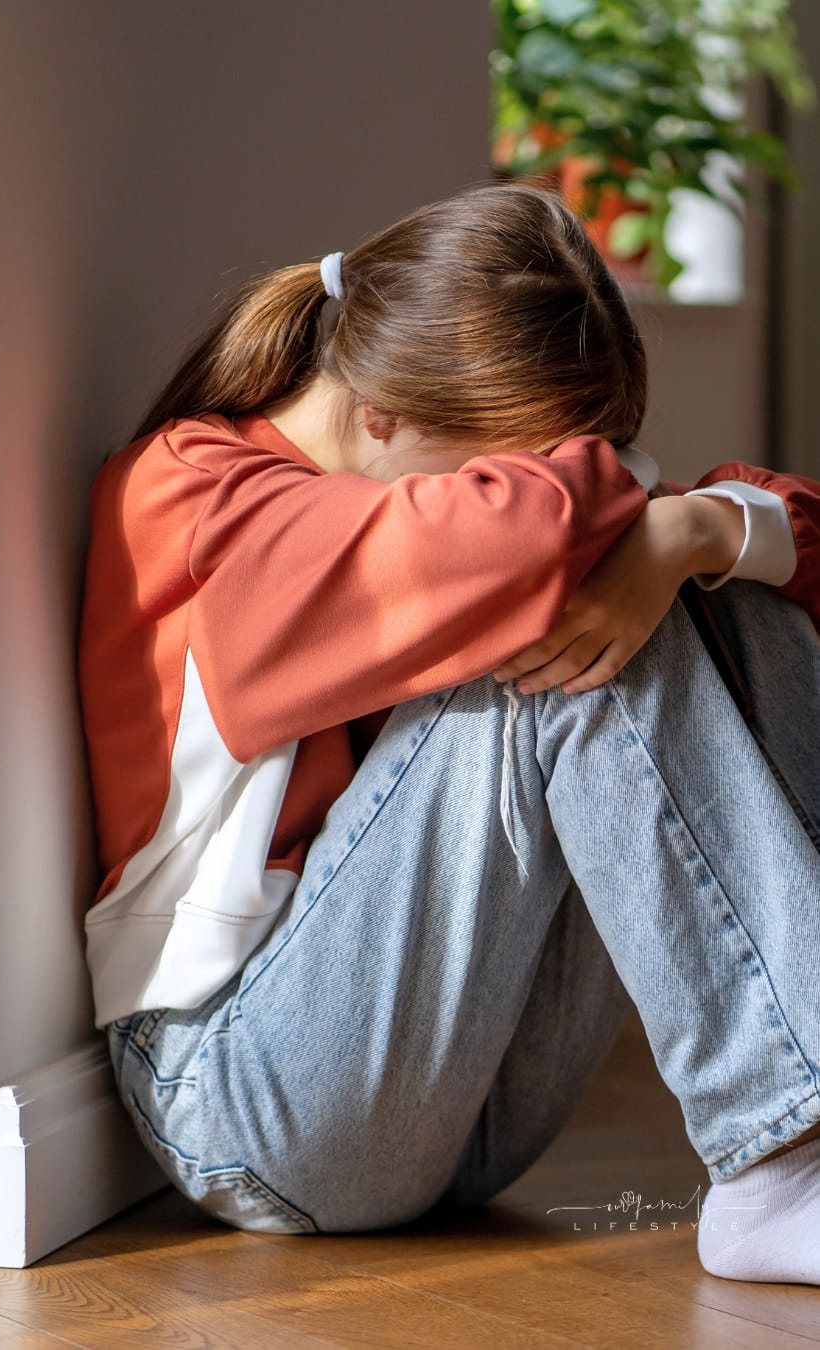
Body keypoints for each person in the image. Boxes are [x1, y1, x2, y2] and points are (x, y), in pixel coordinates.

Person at [78, 183, 820, 1284]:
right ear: (380, 412)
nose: (528, 484)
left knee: (718, 593)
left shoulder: (397, 478)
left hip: (460, 1096)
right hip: (241, 1097)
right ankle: (784, 1155)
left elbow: (788, 537)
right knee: (584, 631)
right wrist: (649, 517)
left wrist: (691, 530)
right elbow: (529, 539)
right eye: (501, 463)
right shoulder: (198, 500)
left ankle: (795, 1134)